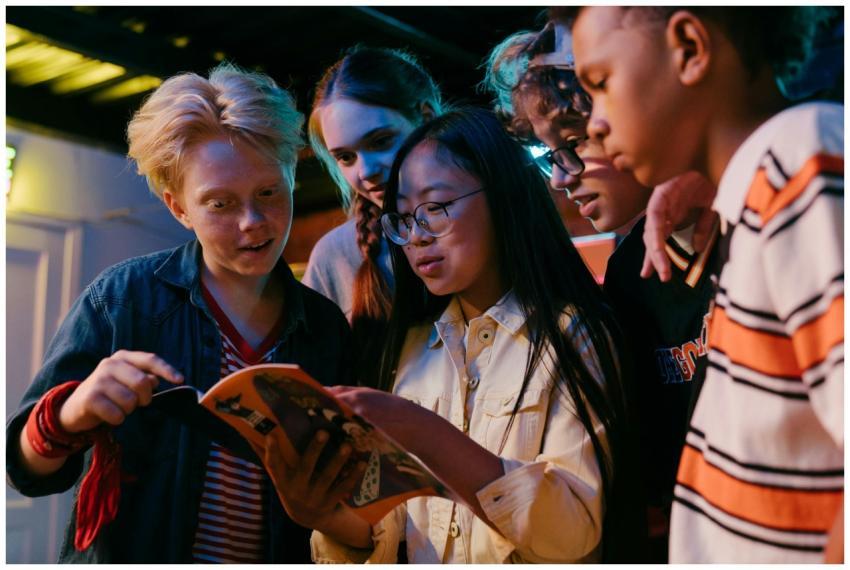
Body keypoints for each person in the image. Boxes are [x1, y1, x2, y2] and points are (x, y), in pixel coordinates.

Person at [5, 63, 352, 563]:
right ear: (178, 208)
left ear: (293, 177)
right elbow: (23, 466)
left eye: (269, 193)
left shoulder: (324, 328)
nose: (252, 222)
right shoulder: (125, 298)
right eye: (220, 204)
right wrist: (71, 411)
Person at [265, 107, 640, 563]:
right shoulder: (409, 348)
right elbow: (390, 529)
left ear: (503, 197)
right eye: (403, 218)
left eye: (437, 208)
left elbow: (572, 534)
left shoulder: (574, 335)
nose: (417, 237)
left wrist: (420, 429)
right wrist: (321, 515)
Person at [568, 6, 844, 563]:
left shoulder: (799, 160)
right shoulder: (760, 191)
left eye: (600, 84)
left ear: (691, 48)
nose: (594, 123)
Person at [484, 23, 719, 561]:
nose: (561, 178)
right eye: (549, 156)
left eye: (572, 145)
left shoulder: (756, 217)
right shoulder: (626, 270)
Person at [303, 46, 444, 380]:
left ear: (425, 117)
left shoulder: (489, 214)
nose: (365, 171)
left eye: (381, 141)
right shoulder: (335, 254)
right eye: (346, 157)